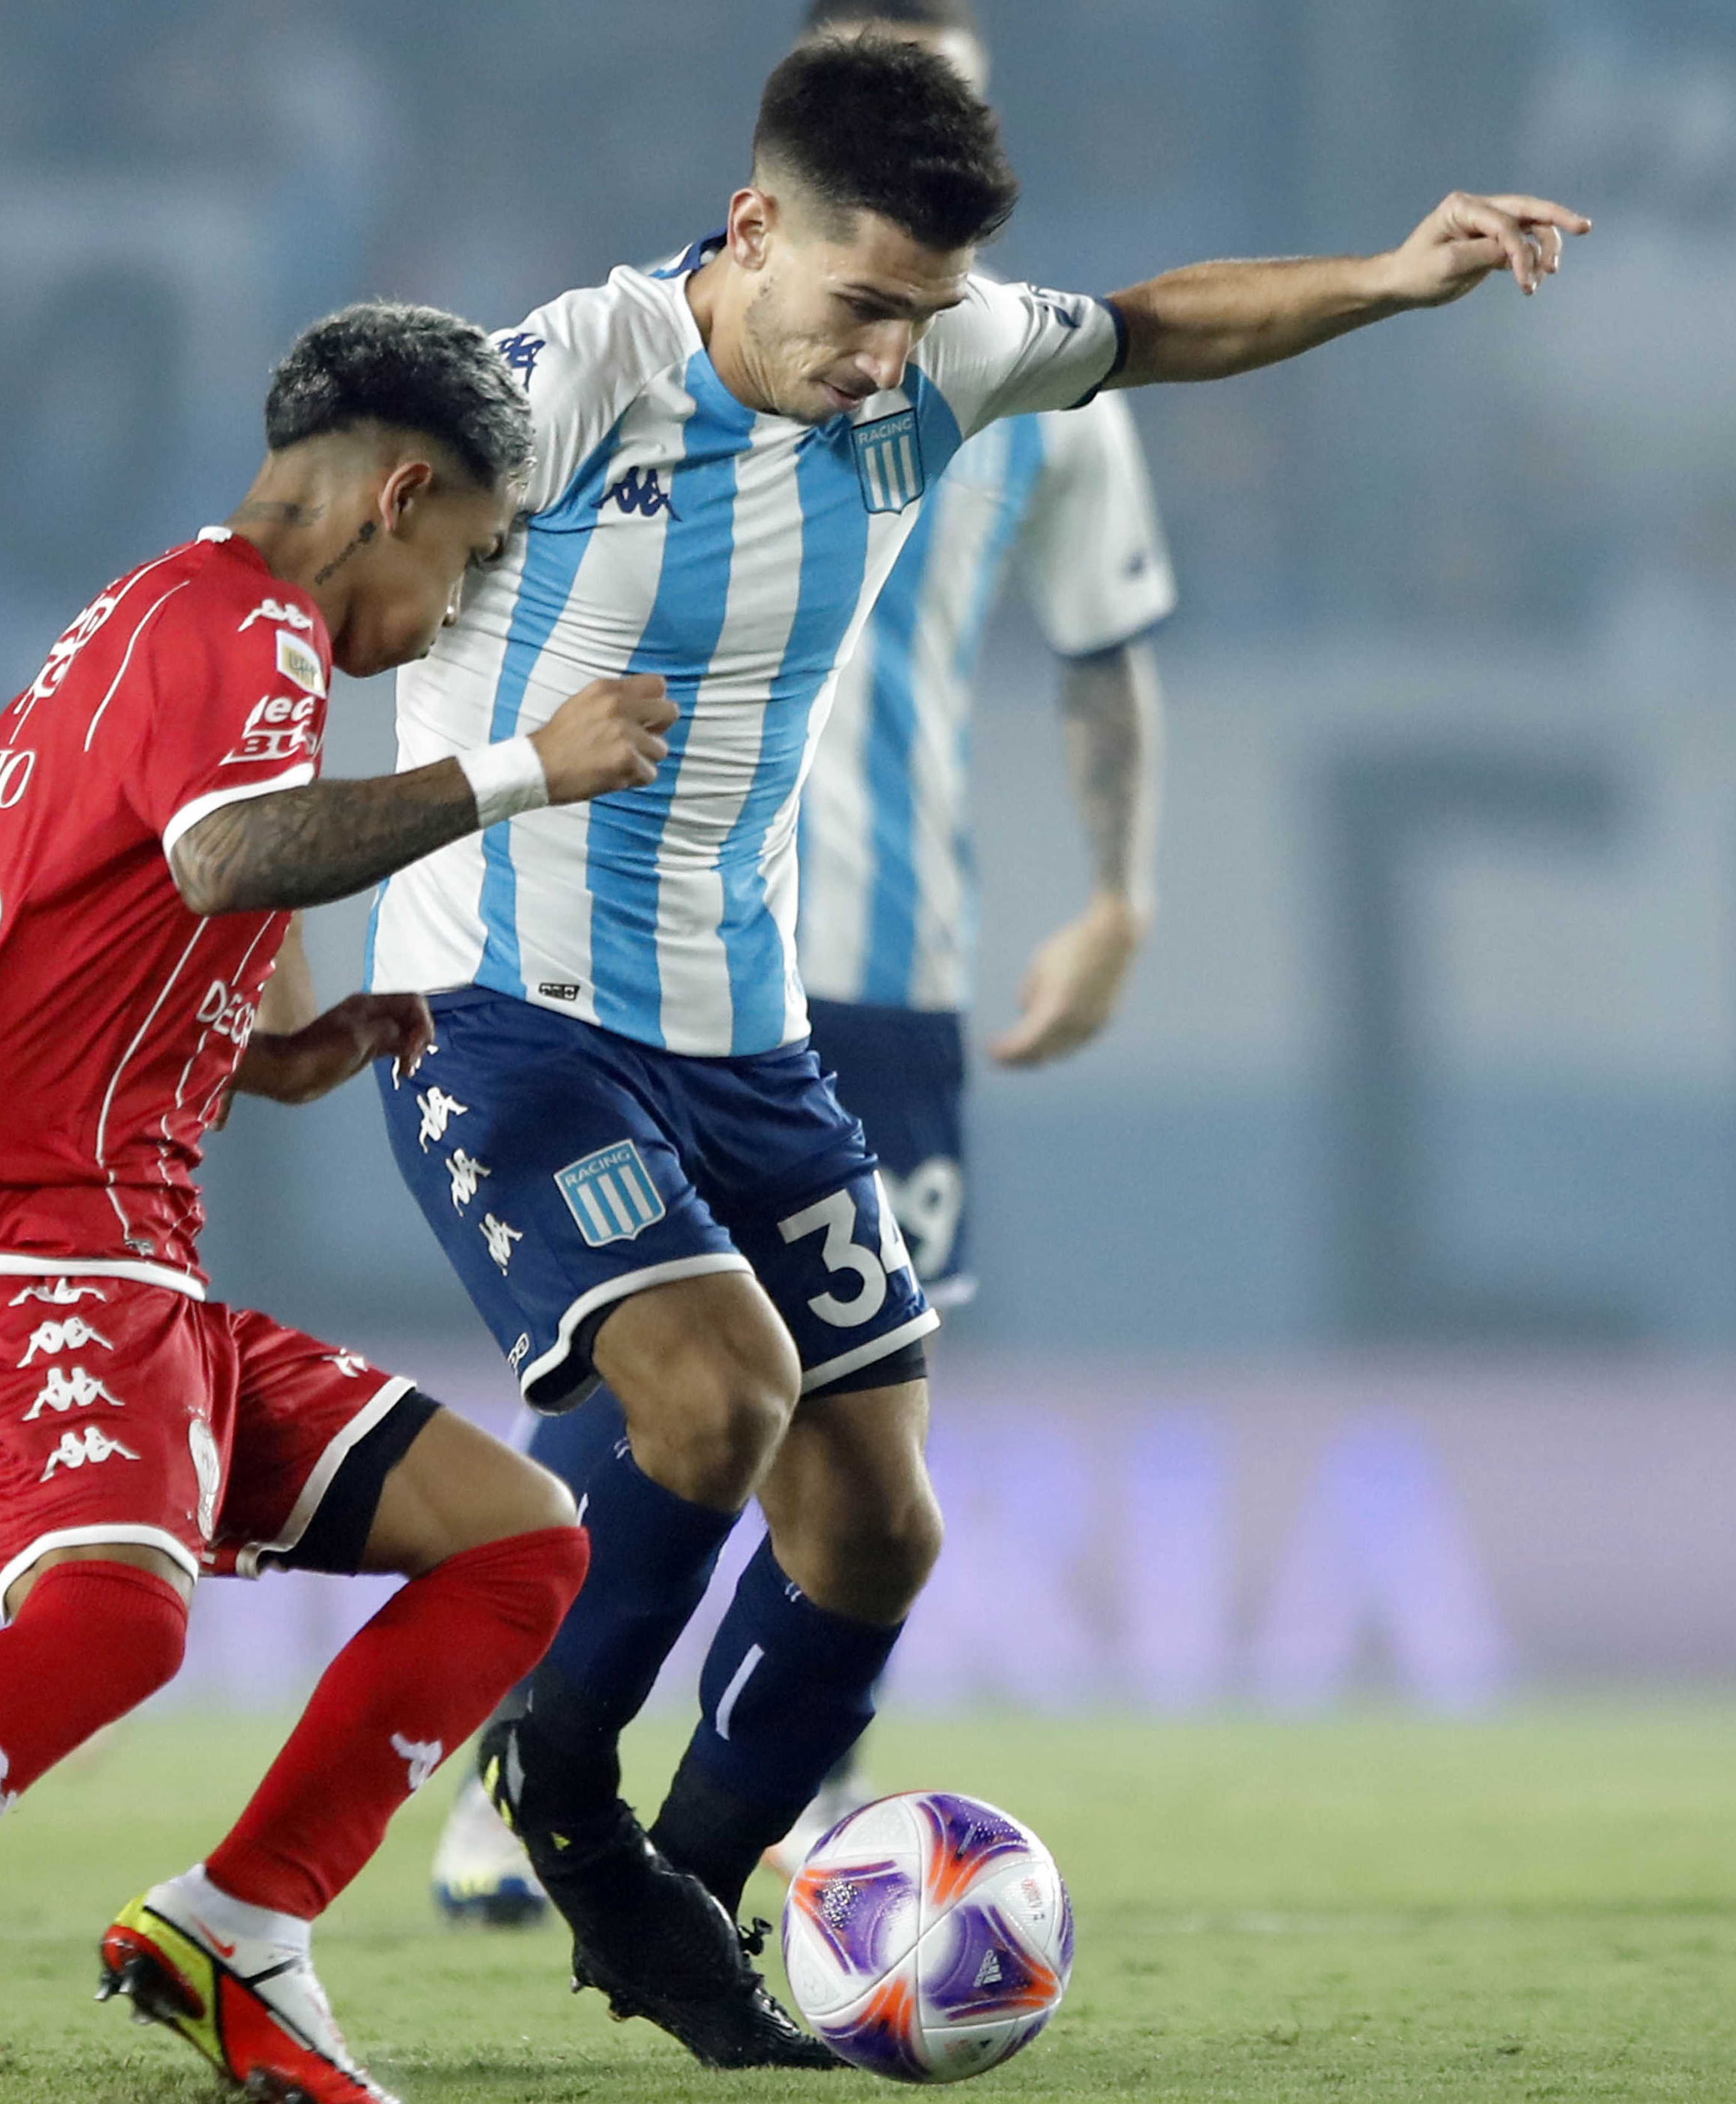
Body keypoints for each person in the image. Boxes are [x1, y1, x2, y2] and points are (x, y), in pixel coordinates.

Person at [367, 31, 1585, 2066]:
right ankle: (569, 1825)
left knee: (877, 1524)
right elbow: (328, 552)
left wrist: (1385, 278)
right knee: (707, 1403)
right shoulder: (559, 377)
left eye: (918, 320)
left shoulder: (937, 354)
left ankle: (706, 1901)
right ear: (749, 229)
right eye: (856, 308)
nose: (884, 362)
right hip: (512, 1009)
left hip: (746, 1030)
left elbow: (1155, 328)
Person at [0, 303, 679, 2104]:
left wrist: (302, 1048)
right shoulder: (248, 624)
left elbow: (165, 910)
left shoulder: (153, 628)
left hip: (105, 1257)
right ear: (398, 494)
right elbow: (221, 854)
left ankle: (241, 1924)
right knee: (113, 1626)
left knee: (516, 1538)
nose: (445, 614)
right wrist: (524, 772)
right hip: (19, 1246)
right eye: (463, 562)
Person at [425, 0, 1180, 1928]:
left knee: (857, 1470)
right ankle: (536, 1781)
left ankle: (745, 1828)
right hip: (590, 957)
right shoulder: (607, 367)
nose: (881, 345)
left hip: (869, 967)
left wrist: (1116, 892)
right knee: (659, 1390)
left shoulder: (999, 373)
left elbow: (1106, 651)